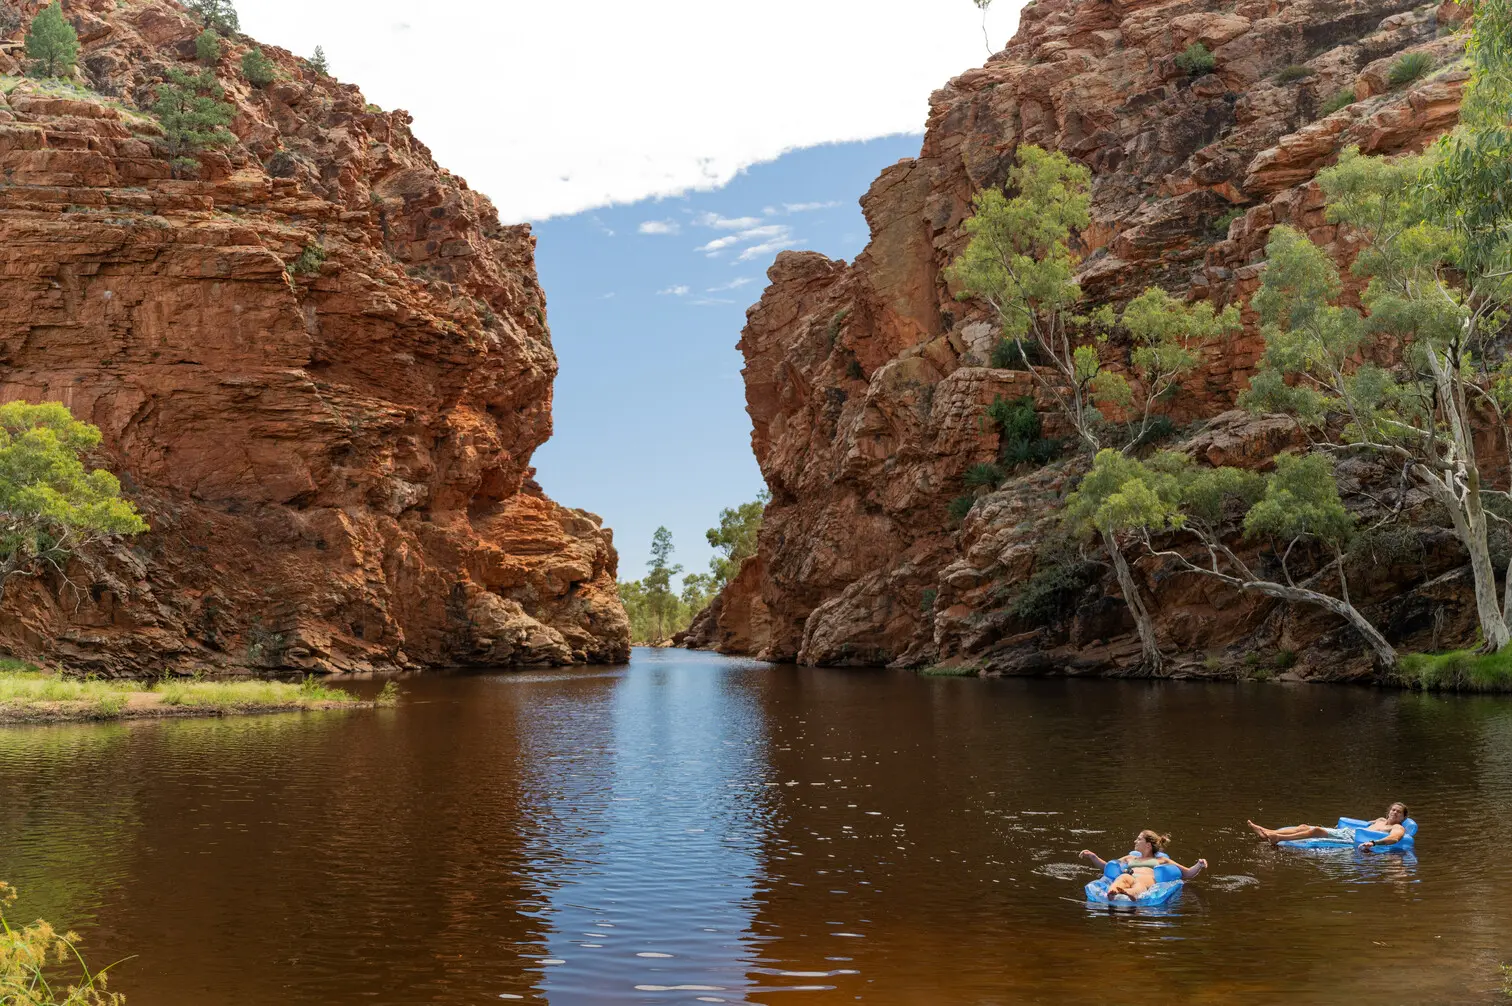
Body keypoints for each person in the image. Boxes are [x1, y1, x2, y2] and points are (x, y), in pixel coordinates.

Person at [1079, 829, 1208, 902]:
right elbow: (1108, 867)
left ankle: (1129, 893)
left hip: (1146, 879)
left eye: (1139, 839)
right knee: (1122, 878)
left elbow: (1188, 873)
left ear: (1148, 845)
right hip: (1130, 875)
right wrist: (1093, 856)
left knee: (1139, 884)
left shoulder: (1162, 860)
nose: (1135, 841)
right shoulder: (1130, 858)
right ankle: (1114, 891)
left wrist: (1199, 864)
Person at [1246, 802, 1409, 849]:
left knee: (1316, 830)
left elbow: (1394, 839)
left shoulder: (1397, 828)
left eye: (1399, 812)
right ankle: (1266, 831)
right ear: (1388, 811)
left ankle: (1277, 838)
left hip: (1352, 839)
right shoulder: (1379, 820)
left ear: (1403, 818)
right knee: (1304, 826)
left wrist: (1374, 843)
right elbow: (1360, 824)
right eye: (1393, 810)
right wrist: (1336, 828)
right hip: (1346, 831)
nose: (1395, 813)